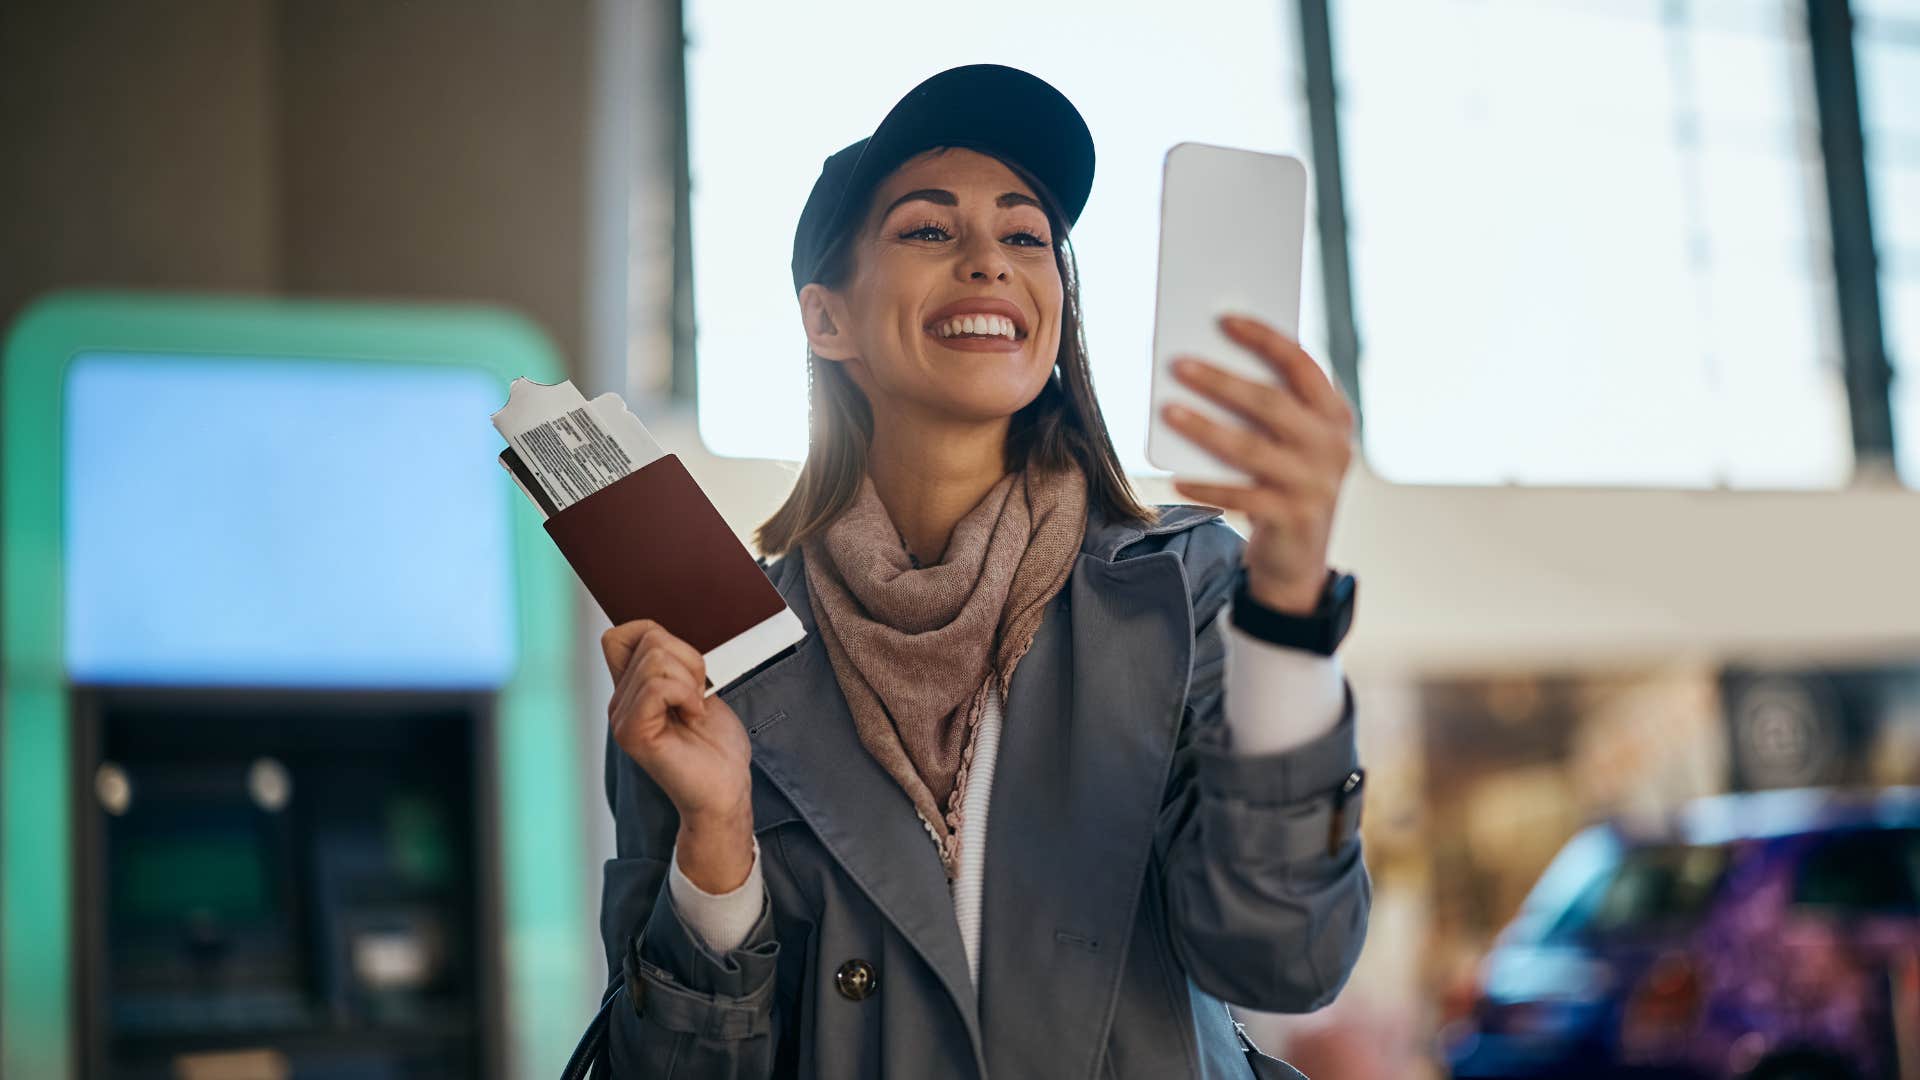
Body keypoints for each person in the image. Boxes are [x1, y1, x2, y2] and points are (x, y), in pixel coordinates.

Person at [596, 64, 1369, 1079]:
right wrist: (718, 843)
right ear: (826, 321)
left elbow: (1283, 957)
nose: (989, 261)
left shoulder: (1190, 590)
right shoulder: (718, 654)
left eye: (1025, 236)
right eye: (927, 228)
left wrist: (1288, 616)